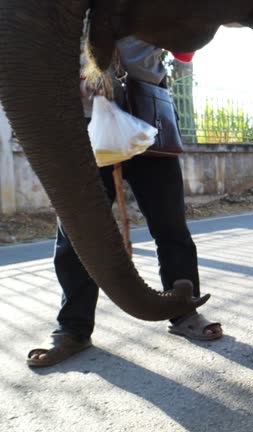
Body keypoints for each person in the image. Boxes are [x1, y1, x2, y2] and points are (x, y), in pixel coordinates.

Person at [27, 36, 222, 368]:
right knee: (76, 233)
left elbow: (185, 48)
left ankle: (183, 310)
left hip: (147, 116)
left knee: (170, 224)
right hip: (84, 123)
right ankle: (72, 328)